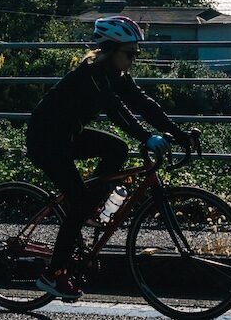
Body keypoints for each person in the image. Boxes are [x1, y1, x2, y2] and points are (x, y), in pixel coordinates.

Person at [23, 15, 199, 302]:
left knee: (117, 149)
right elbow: (117, 111)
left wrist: (178, 133)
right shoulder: (92, 74)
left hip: (67, 135)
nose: (133, 59)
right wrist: (147, 137)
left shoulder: (114, 74)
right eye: (129, 54)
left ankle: (90, 204)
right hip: (46, 141)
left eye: (136, 54)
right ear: (111, 49)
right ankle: (52, 274)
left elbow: (143, 103)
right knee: (79, 201)